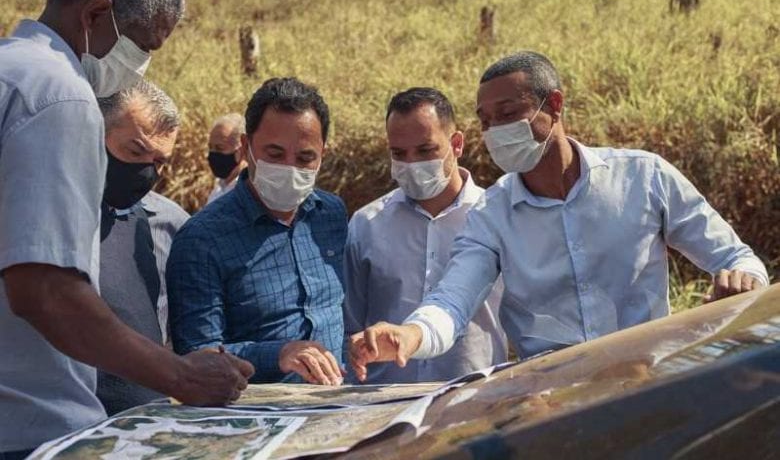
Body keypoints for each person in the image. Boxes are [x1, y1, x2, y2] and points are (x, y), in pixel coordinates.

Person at [349, 51, 769, 381]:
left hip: (648, 384)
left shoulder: (644, 177)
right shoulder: (491, 214)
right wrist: (411, 335)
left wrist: (742, 281)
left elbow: (737, 259)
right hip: (550, 403)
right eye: (485, 120)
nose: (495, 130)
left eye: (508, 113)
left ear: (555, 104)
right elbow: (452, 301)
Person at [0, 0, 251, 456]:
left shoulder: (10, 73)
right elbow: (43, 289)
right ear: (96, 14)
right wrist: (179, 375)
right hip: (34, 428)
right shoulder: (60, 95)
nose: (139, 68)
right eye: (142, 47)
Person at [167, 77, 348, 386]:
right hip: (255, 419)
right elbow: (198, 355)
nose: (290, 168)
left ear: (323, 155)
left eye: (305, 158)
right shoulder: (201, 240)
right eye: (275, 155)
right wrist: (277, 354)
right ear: (245, 148)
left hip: (337, 411)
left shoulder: (330, 215)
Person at [343, 88, 506, 383]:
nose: (412, 164)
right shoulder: (366, 224)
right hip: (383, 403)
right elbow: (351, 325)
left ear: (456, 144)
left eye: (425, 150)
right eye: (399, 154)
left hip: (473, 398)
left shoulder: (494, 217)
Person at [97, 80, 191, 415]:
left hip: (149, 425)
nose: (146, 171)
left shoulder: (169, 222)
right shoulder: (47, 215)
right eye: (135, 152)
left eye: (160, 161)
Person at [206, 113, 247, 204]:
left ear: (241, 150)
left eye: (220, 148)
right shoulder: (218, 189)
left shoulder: (248, 192)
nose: (213, 154)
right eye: (210, 147)